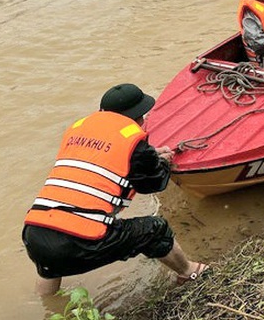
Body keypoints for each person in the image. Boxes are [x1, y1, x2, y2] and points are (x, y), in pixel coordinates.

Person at [22, 84, 206, 295]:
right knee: (154, 230)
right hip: (76, 243)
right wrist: (162, 163)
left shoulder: (79, 131)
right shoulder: (135, 142)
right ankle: (190, 272)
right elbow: (153, 184)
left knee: (50, 265)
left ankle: (48, 307)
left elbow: (105, 161)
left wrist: (150, 155)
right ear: (138, 117)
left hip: (35, 234)